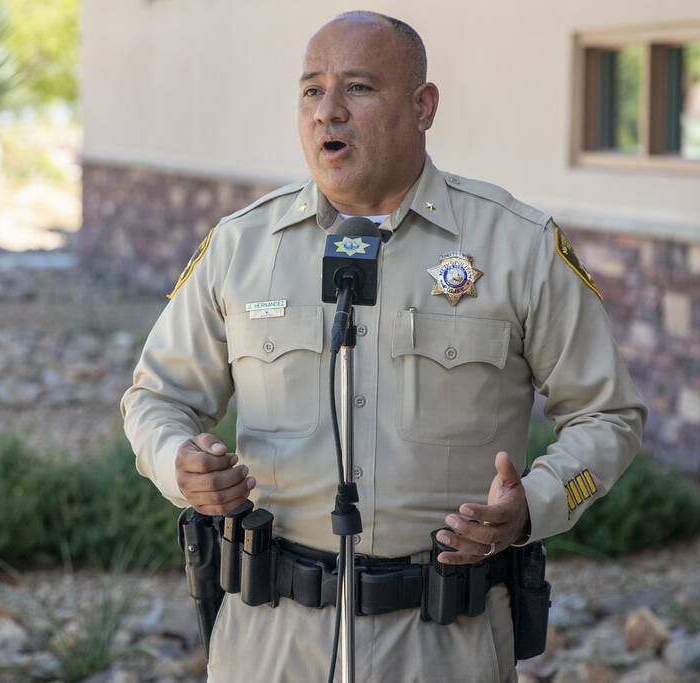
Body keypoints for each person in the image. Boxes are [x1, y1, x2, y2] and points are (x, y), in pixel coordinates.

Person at [122, 11, 646, 682]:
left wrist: (535, 506)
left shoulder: (518, 247)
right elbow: (154, 398)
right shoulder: (242, 246)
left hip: (443, 640)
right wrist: (177, 463)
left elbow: (610, 417)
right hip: (269, 641)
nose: (328, 112)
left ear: (423, 106)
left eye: (359, 88)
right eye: (311, 90)